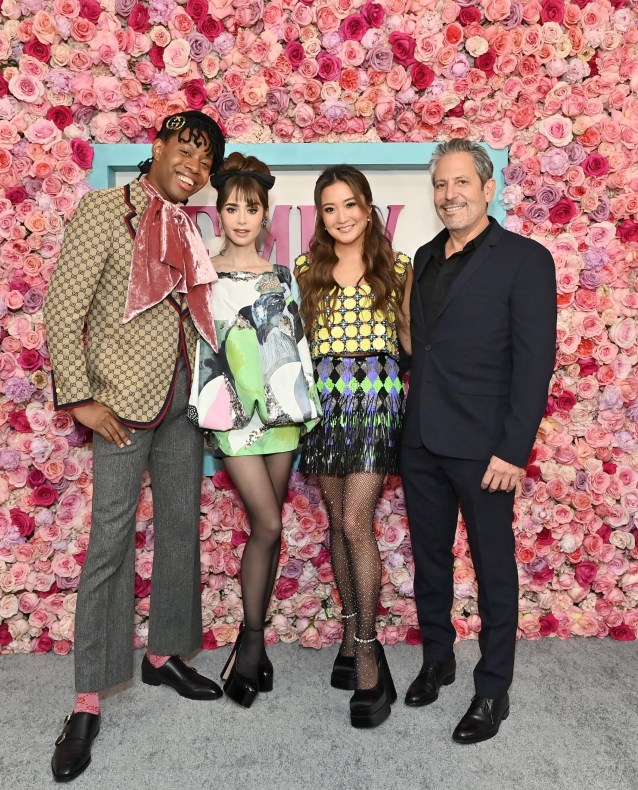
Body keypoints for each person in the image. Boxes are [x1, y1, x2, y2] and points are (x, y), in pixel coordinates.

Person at [44, 111, 226, 782]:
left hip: (182, 405)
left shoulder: (191, 226)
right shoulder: (104, 210)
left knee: (180, 530)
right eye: (187, 148)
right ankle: (88, 701)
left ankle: (164, 656)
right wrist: (81, 397)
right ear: (157, 147)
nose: (195, 165)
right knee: (110, 546)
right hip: (121, 406)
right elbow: (64, 309)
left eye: (206, 160)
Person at [401, 139, 557, 744]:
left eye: (461, 183)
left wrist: (514, 451)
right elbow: (422, 349)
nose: (450, 195)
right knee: (430, 560)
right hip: (422, 439)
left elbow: (534, 361)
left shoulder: (524, 259)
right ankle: (438, 659)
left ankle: (493, 689)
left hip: (487, 447)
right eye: (441, 184)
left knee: (493, 569)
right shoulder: (424, 255)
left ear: (488, 189)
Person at [189, 152, 321, 708]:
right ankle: (250, 642)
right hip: (235, 419)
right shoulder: (204, 274)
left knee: (270, 527)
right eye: (232, 208)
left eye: (252, 208)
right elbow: (202, 350)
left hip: (281, 417)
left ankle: (254, 644)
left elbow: (296, 348)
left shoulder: (284, 275)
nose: (242, 217)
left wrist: (305, 407)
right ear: (218, 214)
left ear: (266, 214)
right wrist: (212, 413)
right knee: (266, 522)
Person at [295, 165, 413, 728]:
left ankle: (368, 648)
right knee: (338, 521)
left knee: (356, 520)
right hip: (324, 401)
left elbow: (413, 340)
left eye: (349, 205)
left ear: (368, 207)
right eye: (329, 208)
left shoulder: (399, 266)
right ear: (320, 216)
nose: (340, 217)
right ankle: (348, 628)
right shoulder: (304, 269)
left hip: (376, 396)